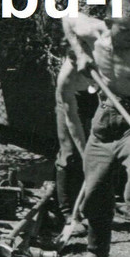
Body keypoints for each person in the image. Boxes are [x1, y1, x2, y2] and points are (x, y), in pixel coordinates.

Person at [60, 3, 130, 257]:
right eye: (125, 28)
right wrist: (79, 52)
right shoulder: (94, 32)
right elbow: (66, 18)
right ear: (108, 24)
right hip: (105, 116)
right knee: (95, 191)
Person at [54, 55, 98, 224]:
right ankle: (67, 212)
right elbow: (72, 122)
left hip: (95, 94)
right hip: (70, 98)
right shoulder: (67, 77)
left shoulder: (106, 48)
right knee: (70, 153)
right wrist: (85, 153)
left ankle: (90, 207)